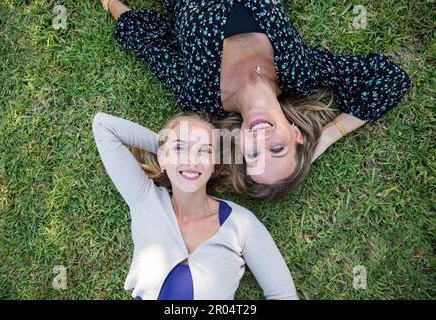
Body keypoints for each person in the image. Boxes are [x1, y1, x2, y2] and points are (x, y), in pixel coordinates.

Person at [101, 0, 411, 200]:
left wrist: (111, 3)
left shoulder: (200, 93)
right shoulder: (299, 70)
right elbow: (389, 81)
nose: (262, 140)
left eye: (253, 154)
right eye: (277, 148)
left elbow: (151, 43)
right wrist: (326, 137)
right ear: (296, 133)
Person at [92, 111, 298, 299]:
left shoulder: (241, 224)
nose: (191, 159)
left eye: (204, 151)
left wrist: (174, 152)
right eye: (181, 148)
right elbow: (103, 125)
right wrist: (167, 150)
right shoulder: (144, 198)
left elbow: (284, 295)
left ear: (214, 165)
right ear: (161, 158)